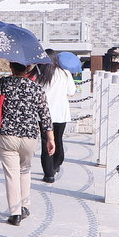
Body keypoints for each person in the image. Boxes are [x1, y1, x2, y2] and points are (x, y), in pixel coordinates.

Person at [0, 62, 55, 226]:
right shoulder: (35, 88)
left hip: (7, 135)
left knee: (11, 174)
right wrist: (50, 138)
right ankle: (24, 206)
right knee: (25, 170)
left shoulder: (3, 83)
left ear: (11, 66)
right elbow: (45, 115)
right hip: (30, 136)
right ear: (29, 68)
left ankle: (15, 213)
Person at [36, 49, 76, 183]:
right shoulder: (65, 73)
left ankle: (49, 174)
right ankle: (56, 164)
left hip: (44, 114)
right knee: (58, 139)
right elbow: (72, 92)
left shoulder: (41, 73)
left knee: (45, 142)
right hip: (61, 113)